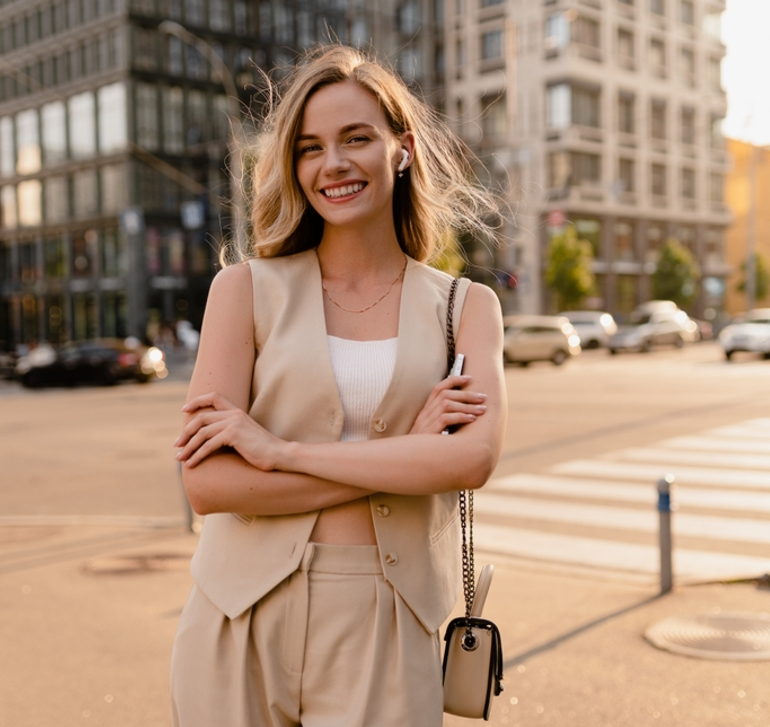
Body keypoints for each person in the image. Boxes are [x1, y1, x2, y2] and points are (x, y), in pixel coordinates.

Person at [170, 45, 507, 727]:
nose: (334, 164)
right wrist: (407, 457)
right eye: (309, 147)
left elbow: (470, 460)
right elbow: (207, 485)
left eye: (357, 138)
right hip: (237, 612)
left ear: (402, 149)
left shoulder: (465, 307)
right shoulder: (243, 292)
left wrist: (279, 452)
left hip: (388, 618)